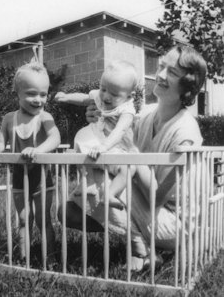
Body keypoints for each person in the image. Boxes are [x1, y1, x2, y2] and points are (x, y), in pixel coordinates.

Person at [58, 45, 207, 271]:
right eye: (161, 66)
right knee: (68, 210)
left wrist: (133, 156)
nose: (160, 75)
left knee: (97, 183)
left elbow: (156, 196)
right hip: (147, 204)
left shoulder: (185, 130)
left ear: (188, 85)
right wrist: (98, 119)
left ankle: (143, 248)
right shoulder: (147, 113)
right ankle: (142, 243)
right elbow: (118, 138)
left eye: (172, 72)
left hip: (174, 221)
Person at [0, 61, 61, 262]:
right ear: (17, 94)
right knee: (23, 219)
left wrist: (38, 150)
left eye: (43, 94)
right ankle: (24, 259)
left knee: (43, 219)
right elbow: (0, 142)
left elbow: (55, 138)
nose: (38, 99)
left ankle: (51, 259)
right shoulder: (8, 119)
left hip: (41, 178)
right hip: (20, 178)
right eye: (31, 93)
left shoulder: (45, 117)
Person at [54, 60, 138, 209]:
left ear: (129, 96)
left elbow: (120, 131)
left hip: (115, 148)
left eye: (114, 94)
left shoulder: (127, 110)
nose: (106, 96)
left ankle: (110, 194)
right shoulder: (100, 96)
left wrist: (104, 146)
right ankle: (88, 182)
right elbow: (84, 98)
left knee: (129, 168)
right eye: (103, 89)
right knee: (81, 140)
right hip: (95, 143)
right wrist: (66, 97)